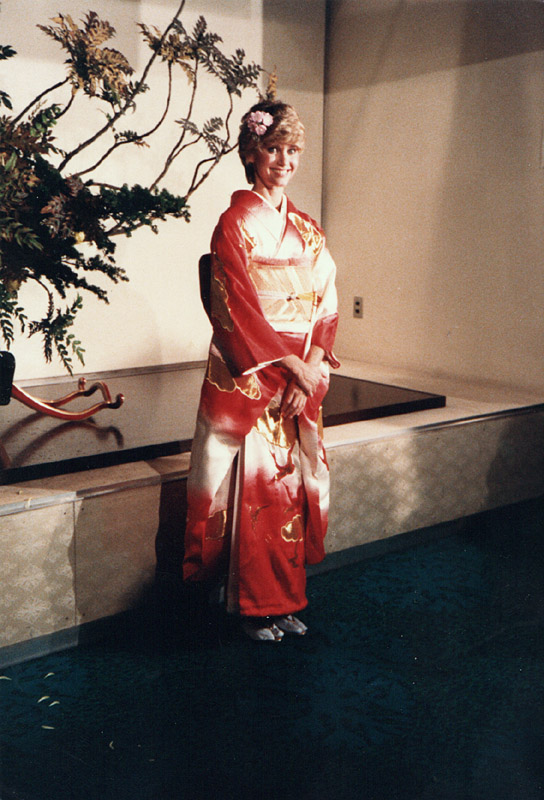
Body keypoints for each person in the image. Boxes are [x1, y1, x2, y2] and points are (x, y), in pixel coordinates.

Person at [183, 100, 339, 641]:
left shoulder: (309, 229)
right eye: (273, 149)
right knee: (255, 490)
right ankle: (250, 606)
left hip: (296, 377)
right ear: (251, 153)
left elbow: (325, 303)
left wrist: (312, 366)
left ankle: (285, 600)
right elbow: (235, 306)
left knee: (291, 489)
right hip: (253, 376)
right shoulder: (233, 224)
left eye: (293, 150)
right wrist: (289, 368)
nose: (284, 160)